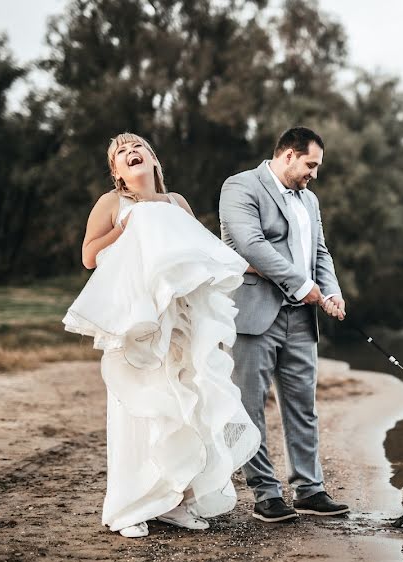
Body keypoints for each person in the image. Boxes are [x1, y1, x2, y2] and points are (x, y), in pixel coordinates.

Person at [64, 133, 260, 538]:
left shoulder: (177, 203)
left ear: (154, 159)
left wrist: (248, 268)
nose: (131, 152)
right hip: (138, 327)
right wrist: (130, 226)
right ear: (116, 172)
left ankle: (177, 501)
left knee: (185, 407)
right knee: (139, 412)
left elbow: (199, 251)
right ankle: (130, 507)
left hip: (180, 323)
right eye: (121, 152)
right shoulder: (112, 204)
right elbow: (88, 256)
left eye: (139, 147)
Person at [219, 126, 348, 523]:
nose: (314, 173)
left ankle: (309, 491)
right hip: (254, 313)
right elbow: (250, 244)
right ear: (288, 155)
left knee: (303, 407)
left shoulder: (310, 200)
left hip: (301, 318)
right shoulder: (240, 187)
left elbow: (320, 250)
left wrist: (331, 290)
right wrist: (302, 283)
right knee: (249, 406)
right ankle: (265, 494)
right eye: (311, 164)